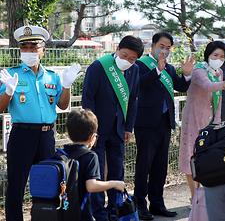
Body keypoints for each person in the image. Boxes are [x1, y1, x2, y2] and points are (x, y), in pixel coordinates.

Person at [0, 25, 81, 221]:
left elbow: (62, 105)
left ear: (43, 49)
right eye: (25, 47)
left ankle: (44, 217)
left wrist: (67, 85)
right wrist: (9, 91)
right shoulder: (11, 75)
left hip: (46, 136)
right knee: (16, 185)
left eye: (34, 46)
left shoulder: (52, 76)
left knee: (48, 181)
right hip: (22, 135)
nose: (29, 51)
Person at [82, 35, 144, 221]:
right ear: (117, 49)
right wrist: (90, 128)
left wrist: (129, 127)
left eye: (132, 59)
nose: (127, 61)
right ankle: (99, 212)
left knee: (118, 169)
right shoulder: (99, 67)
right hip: (98, 130)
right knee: (97, 171)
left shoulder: (135, 71)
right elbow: (88, 99)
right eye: (124, 55)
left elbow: (133, 100)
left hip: (119, 129)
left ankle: (115, 209)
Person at [134, 31, 194, 220]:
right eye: (162, 46)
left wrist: (186, 75)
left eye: (168, 48)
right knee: (144, 165)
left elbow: (180, 86)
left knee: (160, 166)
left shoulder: (168, 67)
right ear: (152, 46)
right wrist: (157, 70)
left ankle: (157, 204)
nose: (165, 50)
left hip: (165, 121)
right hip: (146, 122)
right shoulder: (141, 64)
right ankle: (139, 205)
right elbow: (140, 84)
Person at [179, 41, 225, 200]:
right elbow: (208, 86)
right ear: (208, 55)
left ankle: (202, 192)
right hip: (193, 117)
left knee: (205, 156)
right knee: (190, 155)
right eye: (215, 55)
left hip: (209, 119)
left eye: (222, 56)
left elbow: (217, 99)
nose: (218, 58)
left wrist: (217, 122)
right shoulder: (199, 70)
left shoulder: (218, 72)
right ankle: (194, 195)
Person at [64, 109, 126, 221]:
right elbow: (91, 186)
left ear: (69, 134)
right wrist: (114, 183)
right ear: (93, 137)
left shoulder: (62, 153)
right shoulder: (90, 156)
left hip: (63, 210)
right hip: (81, 213)